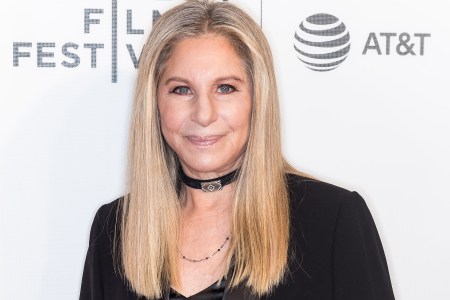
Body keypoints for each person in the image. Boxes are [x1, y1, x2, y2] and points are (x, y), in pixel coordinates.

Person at [79, 0, 395, 299]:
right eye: (181, 89)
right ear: (155, 104)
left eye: (225, 88)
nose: (204, 114)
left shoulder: (332, 219)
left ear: (257, 99)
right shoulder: (115, 229)